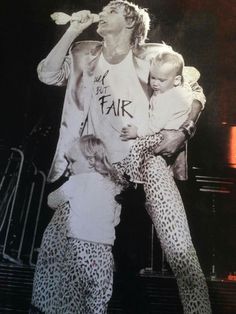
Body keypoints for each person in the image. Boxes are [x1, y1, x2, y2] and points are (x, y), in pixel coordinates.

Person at [36, 1, 211, 313]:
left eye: (111, 10)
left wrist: (183, 131)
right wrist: (73, 29)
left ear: (131, 21)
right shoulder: (83, 52)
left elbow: (195, 90)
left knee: (180, 249)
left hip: (146, 155)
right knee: (59, 238)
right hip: (99, 167)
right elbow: (47, 74)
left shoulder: (154, 56)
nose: (102, 13)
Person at [30, 135, 122, 313]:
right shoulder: (113, 187)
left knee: (71, 302)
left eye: (72, 162)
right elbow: (116, 220)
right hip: (103, 256)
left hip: (78, 253)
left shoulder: (77, 182)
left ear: (90, 161)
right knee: (97, 303)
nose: (69, 168)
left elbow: (52, 200)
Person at [114, 49, 195, 183]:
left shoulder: (167, 99)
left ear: (176, 80)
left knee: (138, 145)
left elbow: (154, 127)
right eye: (153, 77)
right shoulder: (173, 90)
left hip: (164, 137)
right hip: (166, 135)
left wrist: (137, 132)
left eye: (161, 80)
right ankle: (127, 169)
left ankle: (135, 178)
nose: (155, 83)